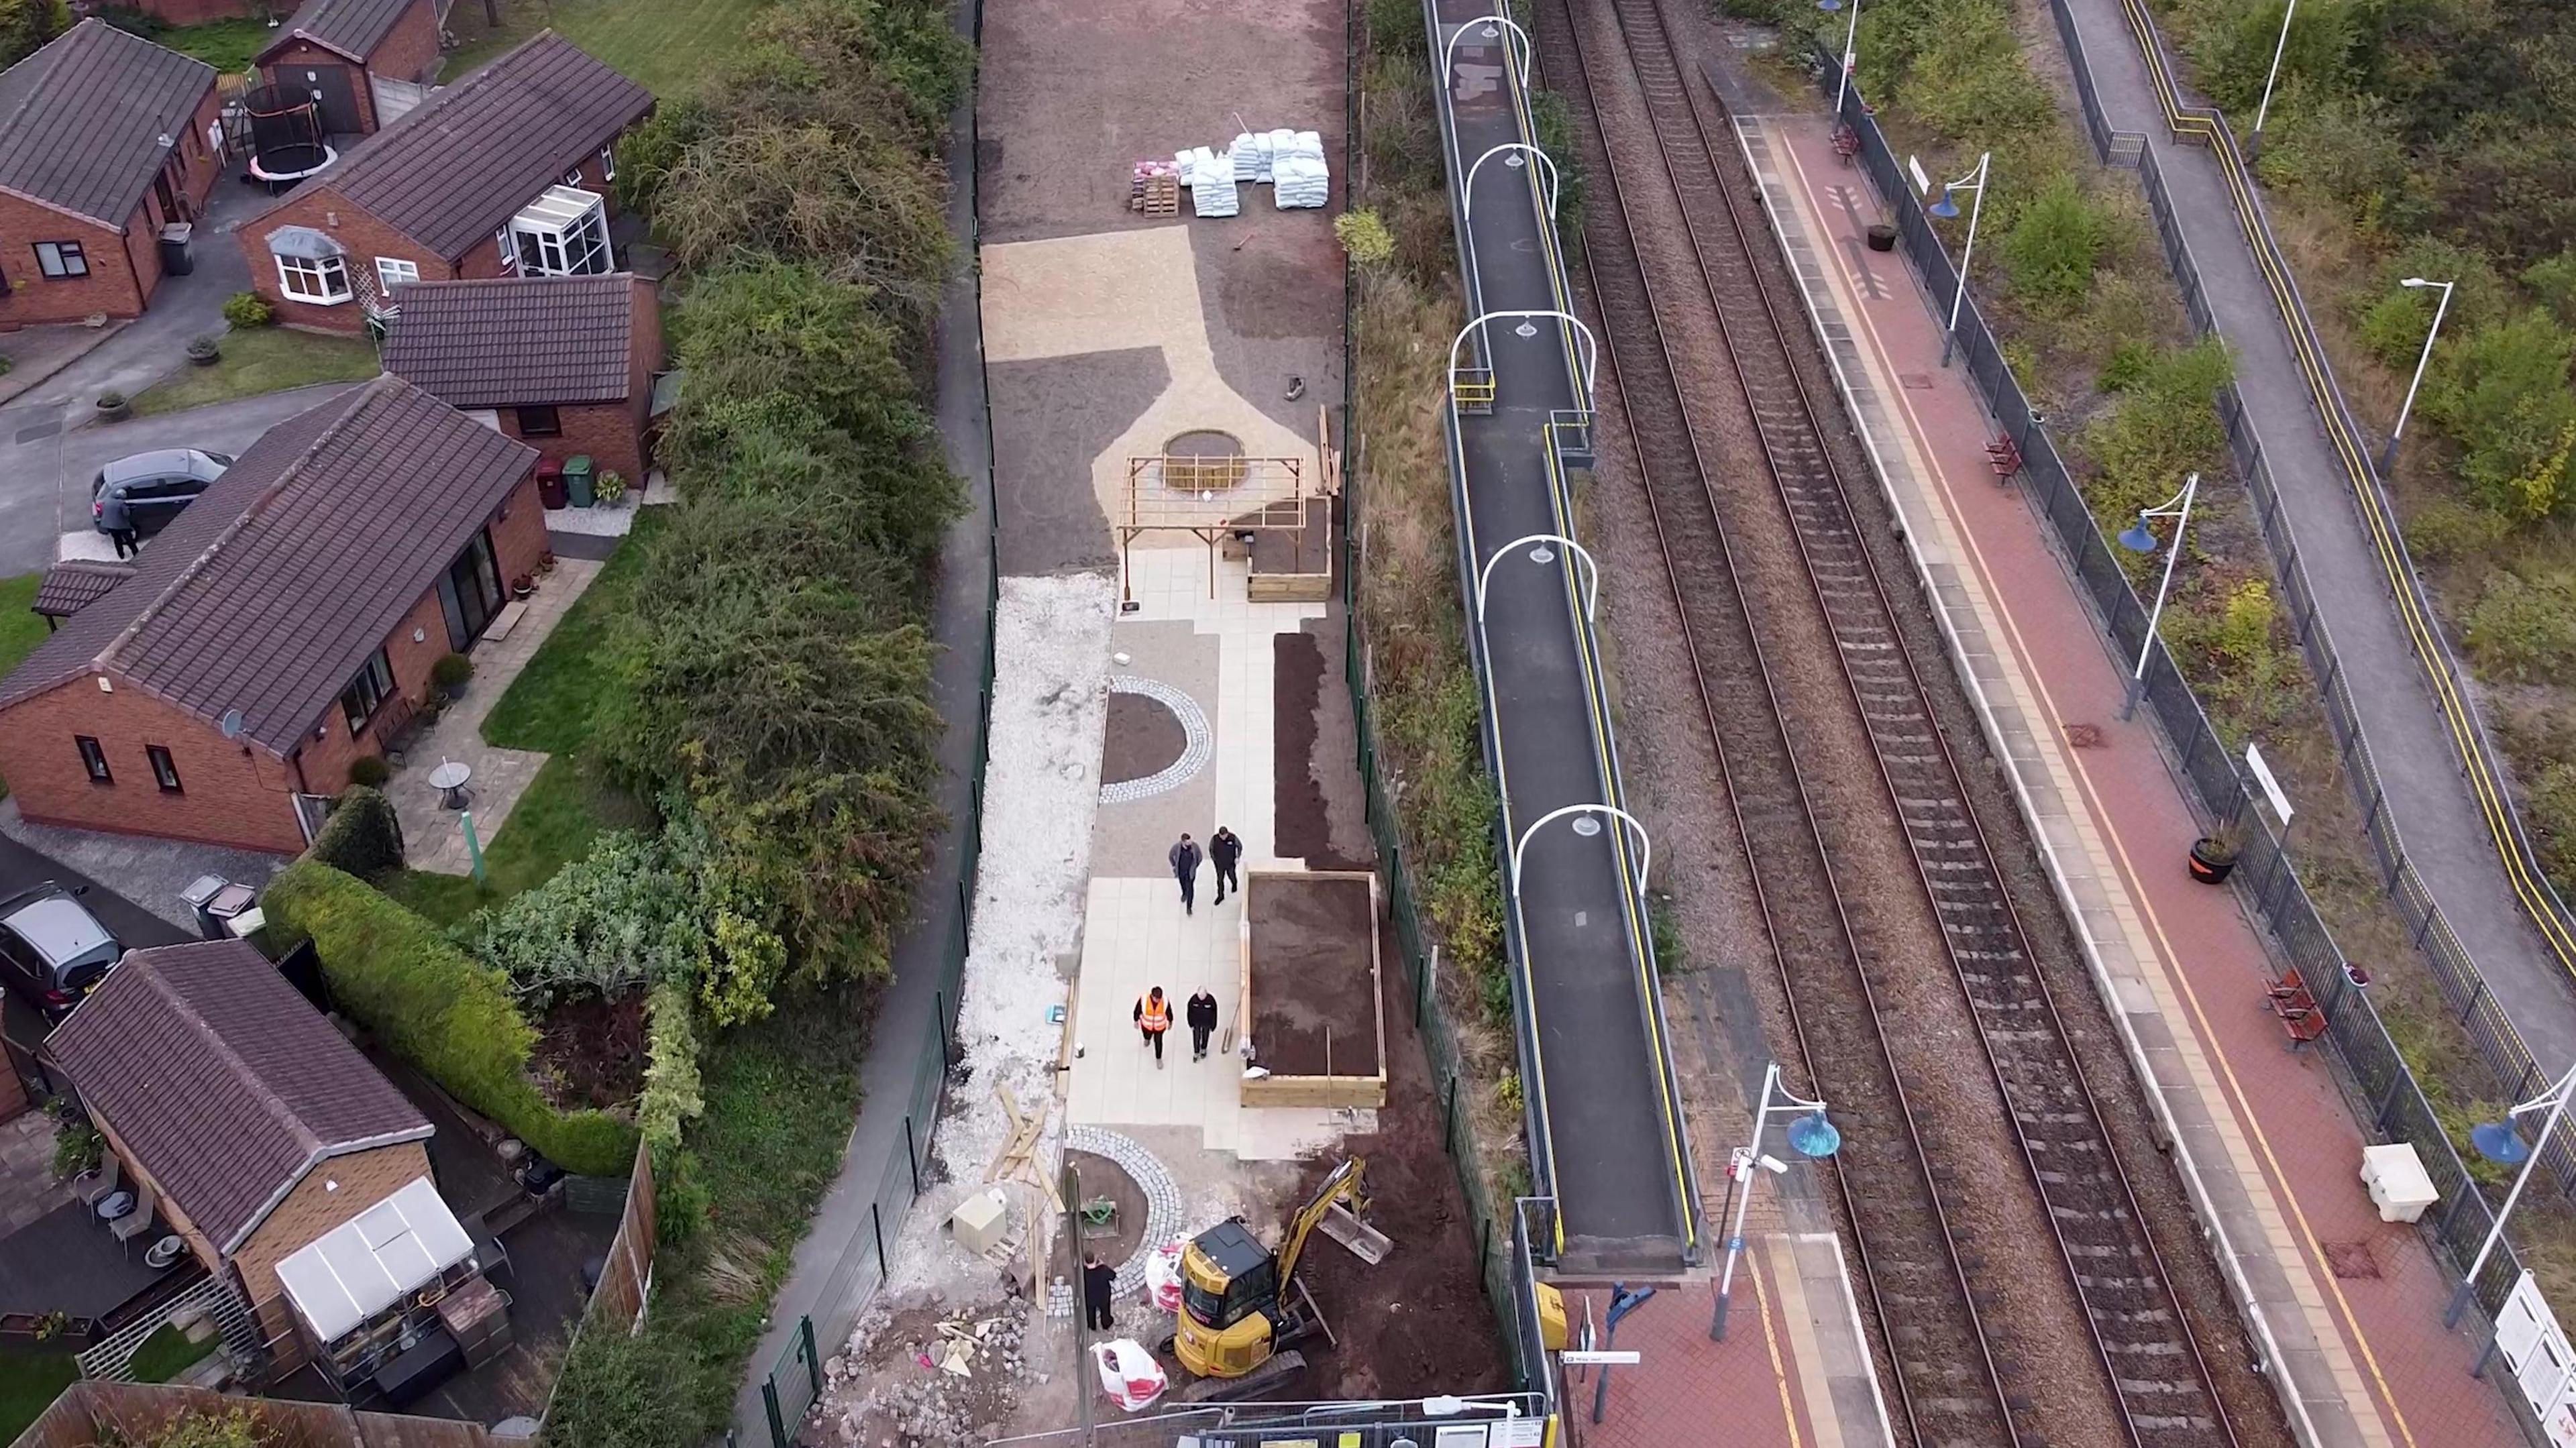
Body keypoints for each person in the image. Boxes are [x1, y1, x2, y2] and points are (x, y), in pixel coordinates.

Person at [1134, 987, 1171, 1067]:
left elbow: (1169, 1012)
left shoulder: (1165, 1001)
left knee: (1159, 1043)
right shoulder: (1144, 1000)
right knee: (1146, 1035)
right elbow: (1137, 1010)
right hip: (1147, 1026)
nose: (1158, 1000)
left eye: (1159, 998)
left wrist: (1170, 1021)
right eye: (1157, 999)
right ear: (1152, 996)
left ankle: (1159, 1058)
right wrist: (1136, 1020)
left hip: (1159, 1027)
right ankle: (1147, 1039)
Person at [1169, 833, 1203, 914]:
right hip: (1181, 871)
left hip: (1190, 873)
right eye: (1188, 842)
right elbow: (1171, 856)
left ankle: (1189, 907)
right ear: (1183, 842)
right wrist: (1174, 865)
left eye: (1190, 841)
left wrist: (1195, 866)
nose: (1190, 843)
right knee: (1182, 883)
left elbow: (1200, 857)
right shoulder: (1177, 847)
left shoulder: (1195, 847)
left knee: (1190, 888)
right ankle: (1184, 893)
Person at [1083, 1252, 1116, 1332]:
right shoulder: (1103, 1270)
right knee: (1105, 1311)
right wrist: (1103, 1264)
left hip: (1090, 1297)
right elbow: (1113, 1276)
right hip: (1103, 1296)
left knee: (1090, 1312)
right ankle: (1106, 1324)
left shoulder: (1084, 1272)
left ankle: (1092, 1325)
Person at [1210, 826, 1242, 905]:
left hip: (1230, 863)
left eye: (1224, 836)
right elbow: (1211, 849)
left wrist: (1238, 857)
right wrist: (1214, 860)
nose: (1223, 838)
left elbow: (1240, 846)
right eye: (1221, 836)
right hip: (1219, 865)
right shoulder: (1215, 839)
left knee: (1232, 876)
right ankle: (1220, 896)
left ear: (1227, 834)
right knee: (1220, 880)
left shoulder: (1233, 838)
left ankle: (1234, 884)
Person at [1187, 988, 1219, 1062]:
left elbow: (1215, 1014)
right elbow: (1189, 1012)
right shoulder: (1193, 1000)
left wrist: (1213, 1025)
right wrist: (1191, 1024)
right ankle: (1196, 1052)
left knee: (1205, 1035)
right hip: (1196, 1022)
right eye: (1200, 995)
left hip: (1206, 1022)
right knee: (1196, 1037)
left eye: (1203, 995)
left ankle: (1204, 1049)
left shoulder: (1211, 1001)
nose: (1201, 997)